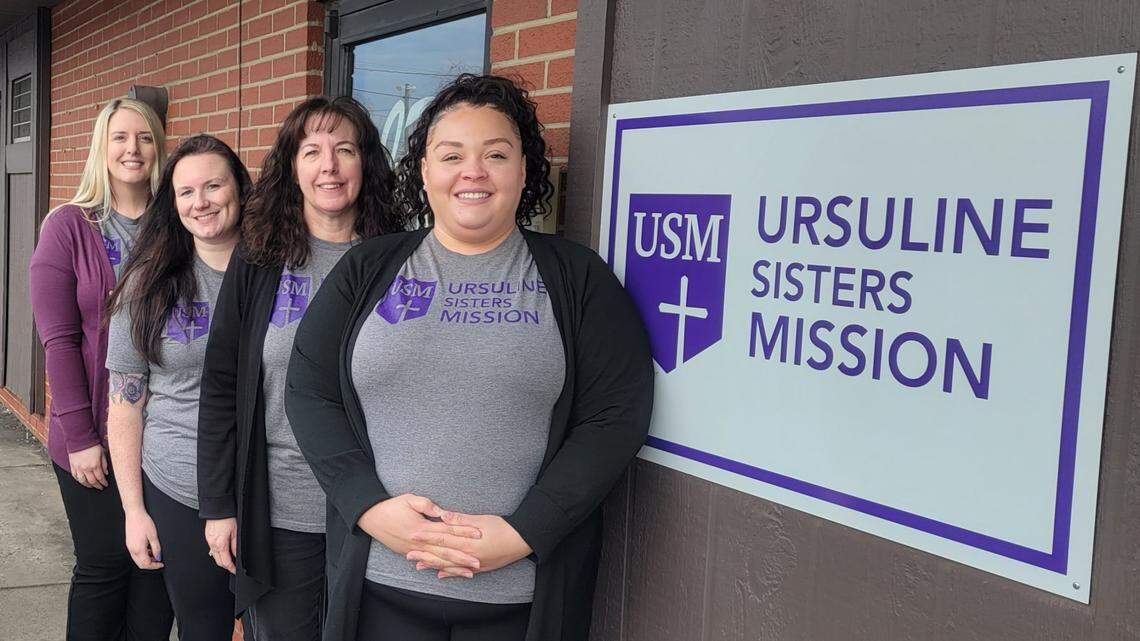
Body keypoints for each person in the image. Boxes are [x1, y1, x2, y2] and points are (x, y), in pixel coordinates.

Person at [284, 73, 655, 641]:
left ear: (524, 170)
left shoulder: (578, 280)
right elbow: (310, 392)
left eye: (496, 155)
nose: (473, 172)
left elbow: (614, 415)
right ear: (426, 171)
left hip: (520, 598)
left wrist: (525, 531)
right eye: (451, 155)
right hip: (381, 586)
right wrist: (369, 508)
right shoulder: (367, 271)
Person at [196, 95, 406, 640]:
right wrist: (219, 507)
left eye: (344, 150)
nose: (329, 166)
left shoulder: (401, 260)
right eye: (312, 151)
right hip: (282, 509)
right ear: (293, 167)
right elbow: (221, 384)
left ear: (367, 163)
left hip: (379, 509)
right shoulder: (261, 259)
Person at [29, 97, 175, 641]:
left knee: (155, 567)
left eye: (143, 137)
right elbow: (59, 340)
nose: (132, 149)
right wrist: (82, 436)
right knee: (103, 565)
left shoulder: (175, 223)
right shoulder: (68, 226)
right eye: (120, 137)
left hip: (163, 430)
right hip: (89, 429)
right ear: (101, 147)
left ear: (158, 147)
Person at [104, 134, 250, 641]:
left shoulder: (279, 271)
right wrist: (134, 511)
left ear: (240, 188)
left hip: (269, 487)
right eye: (186, 192)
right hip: (178, 484)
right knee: (203, 627)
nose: (201, 201)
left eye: (214, 185)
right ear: (172, 203)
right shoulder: (149, 282)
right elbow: (125, 404)